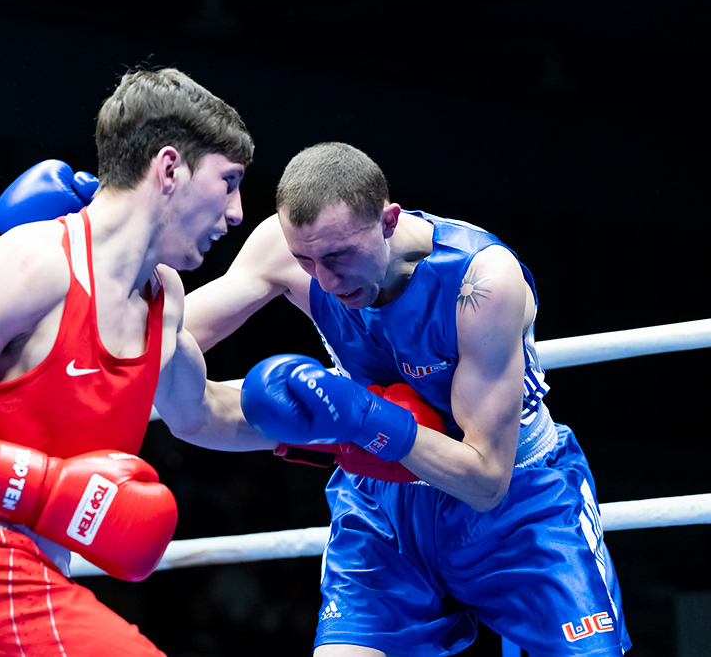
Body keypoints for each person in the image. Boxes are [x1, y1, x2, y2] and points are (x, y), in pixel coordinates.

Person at [0, 66, 274, 656]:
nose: (235, 213)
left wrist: (352, 432)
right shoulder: (31, 265)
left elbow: (199, 413)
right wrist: (46, 492)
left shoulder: (164, 297)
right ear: (170, 168)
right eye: (227, 182)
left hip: (39, 580)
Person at [182, 141, 632, 656]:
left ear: (389, 221)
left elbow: (487, 482)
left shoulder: (481, 281)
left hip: (517, 505)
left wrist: (366, 417)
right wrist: (108, 265)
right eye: (306, 259)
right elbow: (163, 347)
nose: (324, 280)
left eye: (338, 256)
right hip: (384, 508)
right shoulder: (284, 250)